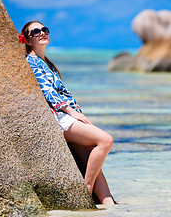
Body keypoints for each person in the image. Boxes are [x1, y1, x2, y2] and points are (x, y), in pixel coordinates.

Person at [20, 21, 115, 205]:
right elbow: (47, 92)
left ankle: (109, 206)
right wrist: (72, 112)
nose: (42, 33)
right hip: (59, 117)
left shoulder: (47, 63)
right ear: (28, 40)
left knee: (92, 160)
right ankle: (86, 188)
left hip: (69, 115)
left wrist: (78, 112)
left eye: (44, 29)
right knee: (105, 140)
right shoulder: (30, 61)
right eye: (36, 31)